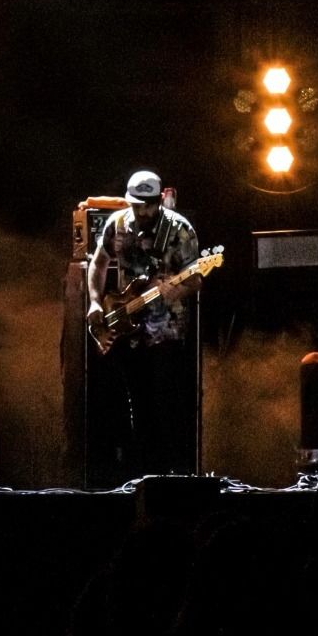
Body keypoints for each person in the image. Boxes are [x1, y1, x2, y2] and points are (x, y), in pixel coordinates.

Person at [85, 169, 202, 478]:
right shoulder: (118, 224)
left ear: (158, 201)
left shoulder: (180, 231)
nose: (141, 211)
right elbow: (98, 262)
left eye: (147, 205)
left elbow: (196, 278)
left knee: (165, 405)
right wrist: (96, 301)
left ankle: (167, 474)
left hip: (166, 332)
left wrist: (179, 288)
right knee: (134, 406)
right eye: (136, 204)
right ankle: (137, 475)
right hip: (128, 329)